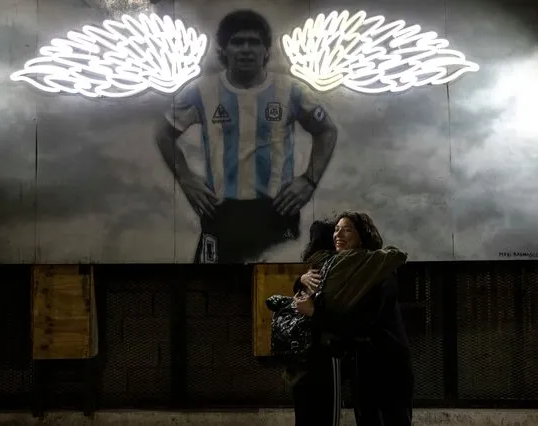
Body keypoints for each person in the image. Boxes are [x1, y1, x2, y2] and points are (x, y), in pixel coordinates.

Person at [155, 9, 338, 263]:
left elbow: (327, 130)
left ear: (266, 51)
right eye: (237, 42)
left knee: (277, 287)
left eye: (254, 42)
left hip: (276, 210)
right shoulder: (201, 90)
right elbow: (164, 133)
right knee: (216, 292)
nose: (246, 49)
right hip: (221, 212)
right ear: (223, 51)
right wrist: (185, 177)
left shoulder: (291, 90)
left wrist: (309, 179)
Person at [292, 212, 414, 426]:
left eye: (347, 229)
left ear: (362, 236)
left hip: (387, 363)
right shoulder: (339, 268)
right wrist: (300, 280)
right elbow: (320, 294)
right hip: (362, 363)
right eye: (336, 229)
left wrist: (314, 312)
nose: (338, 234)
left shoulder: (376, 269)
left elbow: (360, 322)